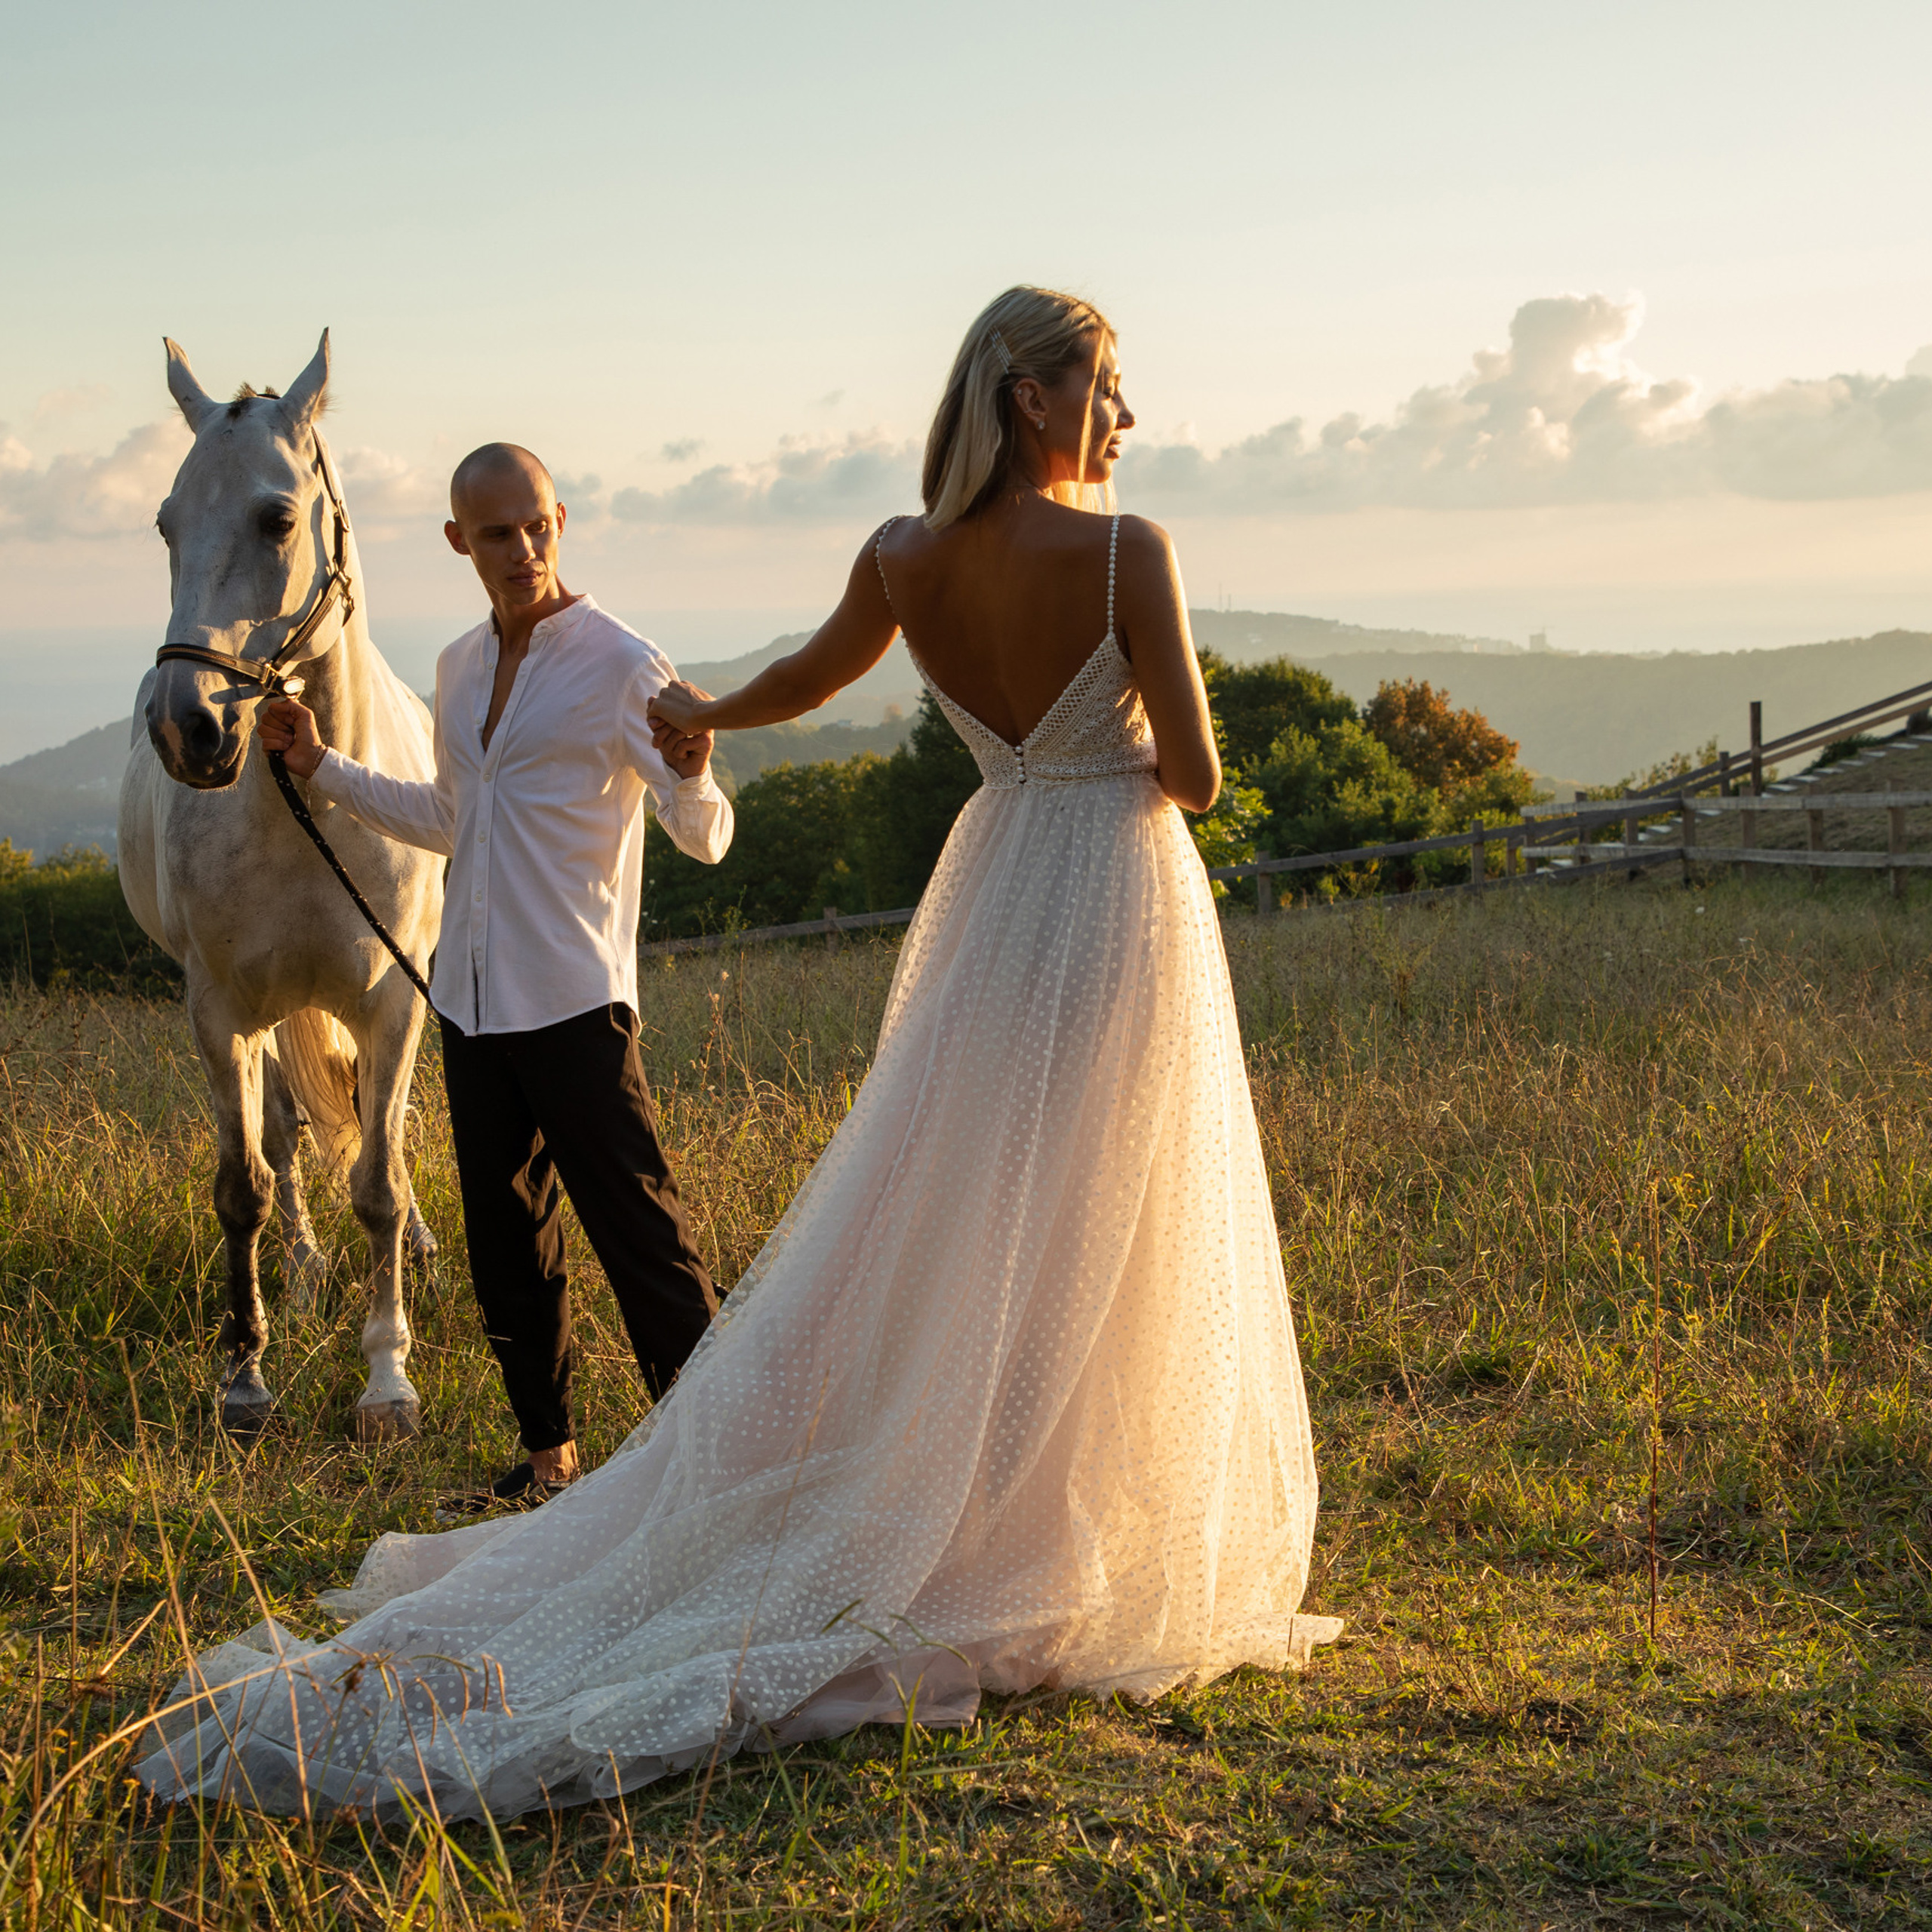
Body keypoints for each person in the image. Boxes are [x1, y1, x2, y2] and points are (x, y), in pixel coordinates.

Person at [139, 288, 1338, 1821]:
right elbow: (1201, 777)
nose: (1124, 417)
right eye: (1105, 387)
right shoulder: (1131, 552)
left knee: (969, 1191)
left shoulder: (903, 558)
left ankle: (944, 1475)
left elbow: (797, 689)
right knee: (1110, 1187)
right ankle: (1050, 1505)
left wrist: (698, 718)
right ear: (1032, 400)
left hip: (987, 885)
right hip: (1108, 877)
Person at [257, 445, 733, 1509]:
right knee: (507, 1246)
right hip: (467, 1004)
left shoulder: (623, 664)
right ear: (457, 541)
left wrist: (697, 771)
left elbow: (704, 836)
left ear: (561, 519)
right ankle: (548, 1460)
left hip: (574, 1001)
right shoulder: (459, 667)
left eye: (537, 527)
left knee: (642, 1238)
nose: (522, 551)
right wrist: (318, 769)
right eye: (497, 534)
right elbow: (451, 817)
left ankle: (718, 1464)